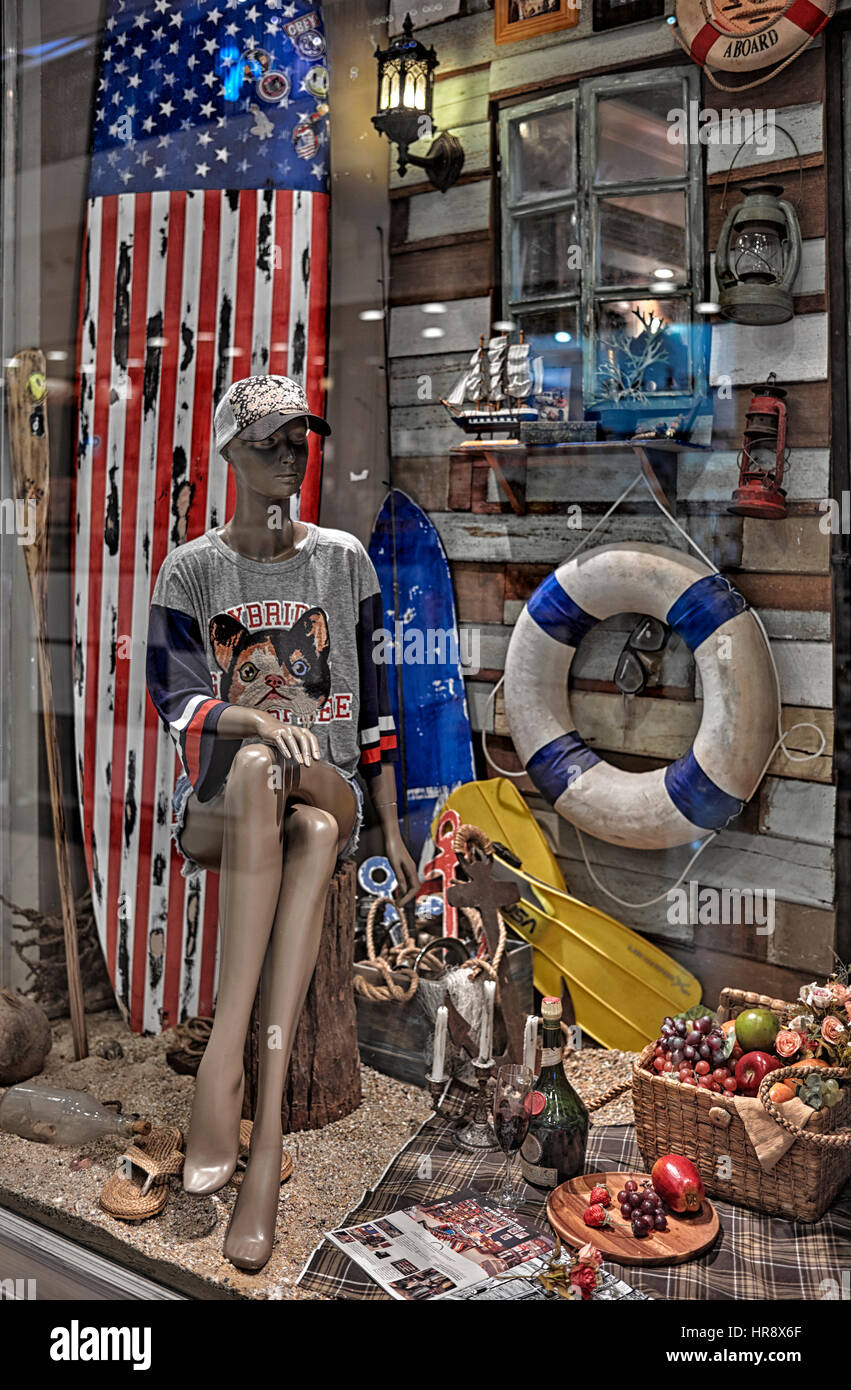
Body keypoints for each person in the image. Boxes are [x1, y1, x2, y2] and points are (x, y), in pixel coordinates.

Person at [146, 374, 417, 1271]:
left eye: (299, 440)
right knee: (279, 795)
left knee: (309, 801)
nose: (289, 456)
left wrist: (392, 821)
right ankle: (259, 1149)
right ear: (228, 453)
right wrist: (258, 718)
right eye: (268, 442)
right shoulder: (191, 568)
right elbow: (175, 702)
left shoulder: (344, 560)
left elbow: (377, 708)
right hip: (227, 806)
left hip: (328, 782)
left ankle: (224, 1076)